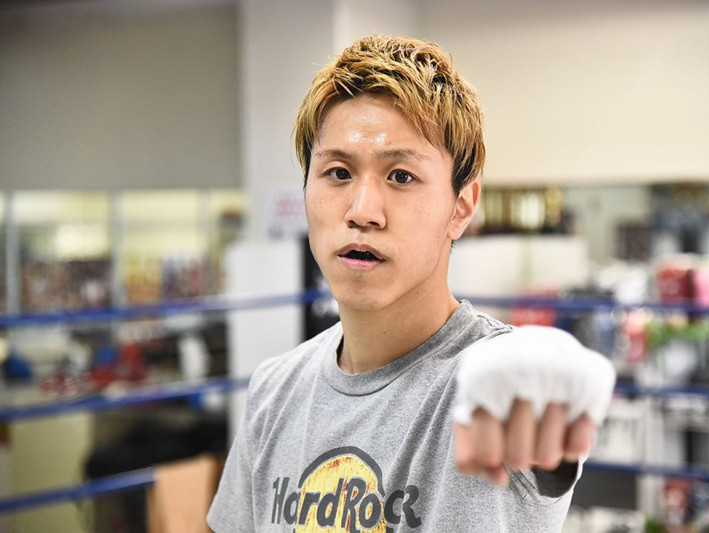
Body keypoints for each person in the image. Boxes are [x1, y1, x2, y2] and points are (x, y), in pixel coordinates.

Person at [208, 35, 615, 532]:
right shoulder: (274, 390)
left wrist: (550, 373)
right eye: (338, 172)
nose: (362, 211)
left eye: (400, 176)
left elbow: (540, 394)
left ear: (461, 207)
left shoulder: (482, 386)